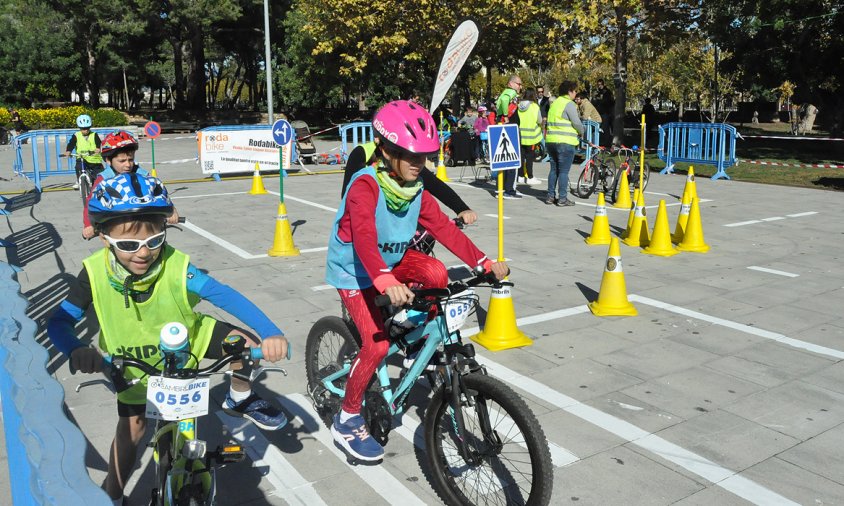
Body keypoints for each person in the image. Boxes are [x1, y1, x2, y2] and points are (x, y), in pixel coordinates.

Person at [47, 173, 290, 504]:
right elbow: (59, 321)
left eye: (155, 240)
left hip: (189, 342)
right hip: (132, 362)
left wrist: (270, 331)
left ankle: (239, 396)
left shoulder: (177, 265)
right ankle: (113, 495)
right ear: (104, 237)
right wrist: (75, 349)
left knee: (244, 342)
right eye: (129, 245)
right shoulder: (92, 274)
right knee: (131, 432)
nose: (144, 254)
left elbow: (224, 295)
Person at [326, 100, 509, 462]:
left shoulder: (414, 187)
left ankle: (410, 332)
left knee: (436, 274)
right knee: (376, 348)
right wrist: (383, 280)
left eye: (424, 156)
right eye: (409, 156)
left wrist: (483, 261)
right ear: (385, 150)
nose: (418, 164)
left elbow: (441, 227)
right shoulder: (366, 186)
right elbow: (363, 237)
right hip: (355, 269)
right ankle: (346, 420)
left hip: (391, 261)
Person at [82, 130, 179, 239]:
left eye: (131, 159)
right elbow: (91, 202)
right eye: (122, 161)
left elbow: (158, 191)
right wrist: (88, 225)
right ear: (108, 160)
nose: (128, 165)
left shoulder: (141, 173)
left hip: (143, 223)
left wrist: (172, 210)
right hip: (117, 224)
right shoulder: (104, 178)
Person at [545, 81, 584, 207]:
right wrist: (582, 132)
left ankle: (550, 196)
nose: (575, 93)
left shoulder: (554, 103)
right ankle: (562, 198)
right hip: (565, 142)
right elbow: (576, 123)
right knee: (563, 171)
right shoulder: (569, 104)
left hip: (551, 141)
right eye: (575, 91)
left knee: (553, 170)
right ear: (570, 91)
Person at [495, 75, 523, 198]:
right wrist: (506, 116)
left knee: (503, 159)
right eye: (518, 84)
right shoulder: (510, 92)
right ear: (511, 83)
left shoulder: (505, 92)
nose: (520, 87)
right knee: (512, 159)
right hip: (510, 127)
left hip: (505, 126)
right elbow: (505, 101)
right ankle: (509, 190)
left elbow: (500, 103)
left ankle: (501, 188)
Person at [64, 114, 104, 190]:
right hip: (82, 157)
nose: (85, 130)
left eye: (87, 128)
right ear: (79, 128)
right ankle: (79, 181)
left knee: (99, 175)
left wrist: (98, 148)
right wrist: (68, 151)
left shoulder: (94, 134)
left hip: (94, 158)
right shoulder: (76, 135)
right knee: (78, 167)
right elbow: (71, 143)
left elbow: (98, 143)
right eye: (83, 129)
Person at [517, 88, 543, 186]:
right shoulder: (535, 107)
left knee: (521, 157)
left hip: (520, 136)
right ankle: (530, 177)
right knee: (529, 158)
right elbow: (539, 120)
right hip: (531, 137)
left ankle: (520, 176)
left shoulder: (519, 106)